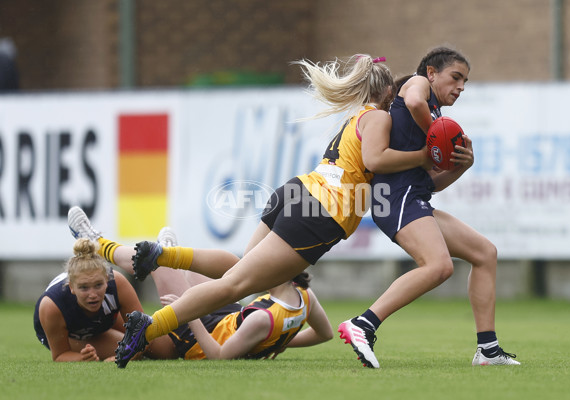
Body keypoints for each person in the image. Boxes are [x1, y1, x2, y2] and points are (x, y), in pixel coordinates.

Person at [112, 54, 435, 368]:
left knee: (235, 275)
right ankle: (148, 327)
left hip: (299, 191)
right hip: (322, 211)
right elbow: (377, 161)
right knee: (235, 286)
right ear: (390, 93)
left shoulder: (356, 116)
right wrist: (424, 155)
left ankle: (166, 256)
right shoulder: (380, 117)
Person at [338, 46, 520, 368]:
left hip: (414, 196)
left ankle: (488, 351)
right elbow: (413, 101)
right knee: (439, 267)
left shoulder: (434, 116)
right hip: (395, 197)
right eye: (455, 77)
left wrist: (460, 166)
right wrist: (436, 135)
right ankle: (363, 323)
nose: (461, 87)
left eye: (465, 81)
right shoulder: (416, 84)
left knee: (484, 253)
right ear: (432, 73)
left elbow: (431, 182)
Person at [67, 206, 334, 361]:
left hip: (197, 335)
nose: (261, 255)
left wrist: (189, 314)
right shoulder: (305, 297)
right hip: (229, 318)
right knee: (233, 267)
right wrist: (276, 342)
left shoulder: (261, 319)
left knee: (153, 265)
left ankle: (96, 243)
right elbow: (325, 334)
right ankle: (171, 255)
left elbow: (218, 356)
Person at [33, 236, 173, 362]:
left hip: (104, 318)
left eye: (98, 285)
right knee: (124, 346)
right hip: (73, 334)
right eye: (84, 288)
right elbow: (60, 355)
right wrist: (83, 358)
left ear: (107, 279)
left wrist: (129, 354)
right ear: (71, 287)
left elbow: (142, 332)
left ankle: (167, 251)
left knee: (168, 350)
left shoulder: (117, 283)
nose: (93, 294)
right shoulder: (52, 305)